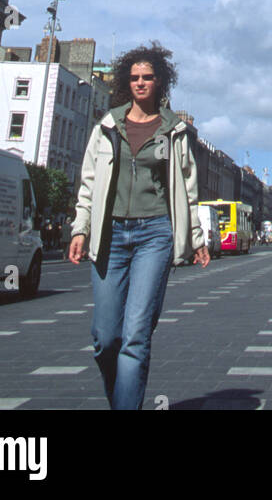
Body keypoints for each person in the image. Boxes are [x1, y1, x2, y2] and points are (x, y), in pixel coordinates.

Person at [69, 43, 209, 410]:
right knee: (105, 338)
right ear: (125, 82)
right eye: (134, 78)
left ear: (160, 81)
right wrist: (80, 228)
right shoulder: (107, 126)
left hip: (155, 234)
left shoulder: (173, 131)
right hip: (109, 234)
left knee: (136, 336)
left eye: (148, 77)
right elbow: (88, 183)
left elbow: (187, 189)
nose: (141, 83)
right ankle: (122, 398)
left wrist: (196, 238)